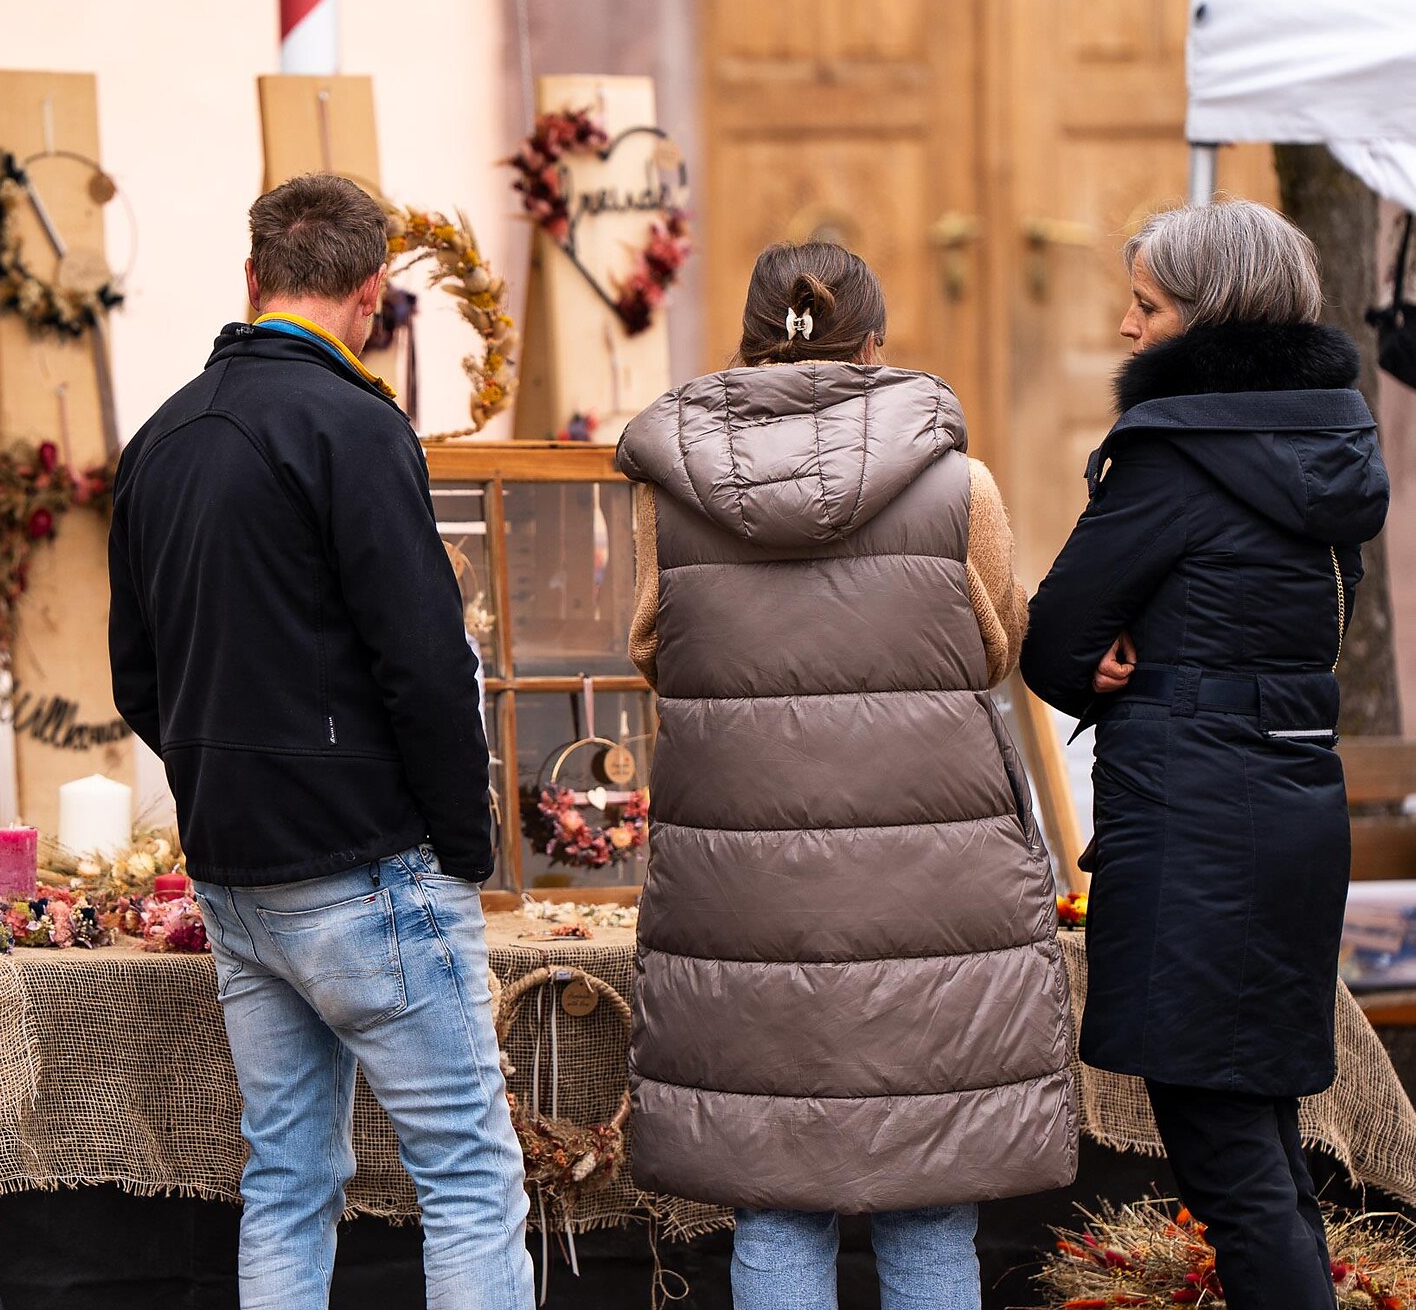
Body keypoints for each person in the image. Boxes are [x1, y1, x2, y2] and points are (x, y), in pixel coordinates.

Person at [617, 242, 1077, 1310]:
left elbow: (654, 649)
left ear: (744, 342)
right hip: (937, 896)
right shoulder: (961, 486)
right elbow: (998, 648)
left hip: (745, 900)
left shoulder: (666, 494)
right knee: (929, 1197)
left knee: (774, 1195)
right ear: (871, 346)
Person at [107, 173, 535, 1310]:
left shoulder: (161, 438)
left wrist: (221, 779)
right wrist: (461, 842)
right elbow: (427, 664)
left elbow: (135, 677)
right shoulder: (357, 425)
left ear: (252, 280)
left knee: (287, 1181)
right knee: (470, 1179)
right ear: (374, 292)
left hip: (237, 873)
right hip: (367, 863)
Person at [1023, 199, 1389, 1310]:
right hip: (1287, 810)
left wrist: (1100, 662)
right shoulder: (1332, 451)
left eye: (1148, 305)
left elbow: (1056, 639)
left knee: (1229, 1159)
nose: (1130, 327)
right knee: (1262, 1142)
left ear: (1207, 316)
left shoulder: (1173, 458)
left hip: (1193, 824)